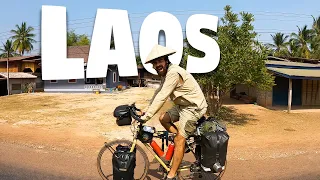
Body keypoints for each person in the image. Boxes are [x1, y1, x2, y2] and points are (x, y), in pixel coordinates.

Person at [140, 44, 208, 180]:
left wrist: (146, 117)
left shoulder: (173, 73)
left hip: (193, 107)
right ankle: (180, 141)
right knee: (163, 119)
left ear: (166, 60)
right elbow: (158, 92)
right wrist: (146, 110)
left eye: (159, 61)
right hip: (182, 106)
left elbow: (162, 96)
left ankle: (172, 174)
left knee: (179, 140)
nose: (157, 65)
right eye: (154, 62)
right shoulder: (166, 74)